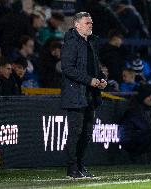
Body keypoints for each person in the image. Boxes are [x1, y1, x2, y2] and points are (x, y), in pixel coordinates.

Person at [61, 12, 107, 178]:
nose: (90, 25)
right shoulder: (71, 42)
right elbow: (67, 68)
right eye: (87, 23)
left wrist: (102, 79)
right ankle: (72, 169)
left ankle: (80, 165)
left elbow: (95, 66)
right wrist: (89, 80)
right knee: (75, 132)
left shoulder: (92, 42)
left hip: (90, 95)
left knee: (86, 133)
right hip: (76, 94)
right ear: (77, 25)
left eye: (91, 22)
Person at [119, 86, 151, 160]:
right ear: (142, 97)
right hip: (128, 140)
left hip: (136, 136)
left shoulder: (147, 109)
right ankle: (138, 157)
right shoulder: (136, 110)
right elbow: (146, 127)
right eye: (148, 96)